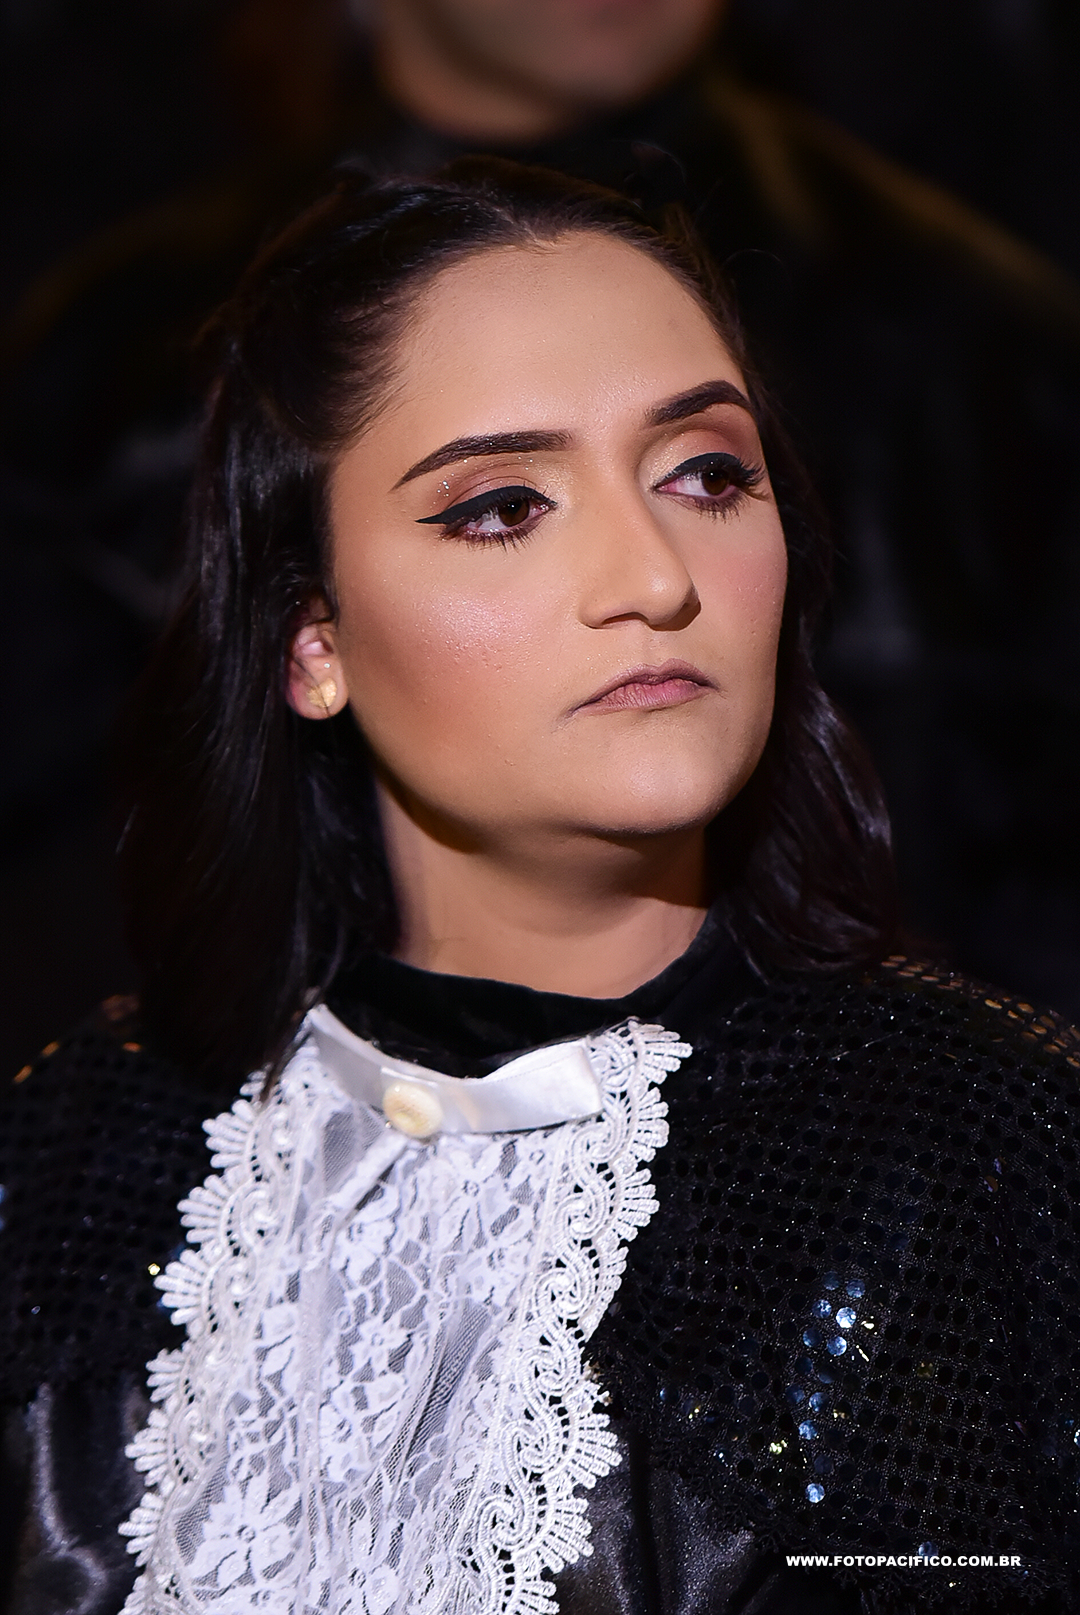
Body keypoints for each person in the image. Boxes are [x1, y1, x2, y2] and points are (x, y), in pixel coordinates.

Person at [3, 157, 1080, 1615]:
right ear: (312, 639)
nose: (653, 576)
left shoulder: (990, 1156)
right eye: (505, 505)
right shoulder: (83, 1151)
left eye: (707, 474)